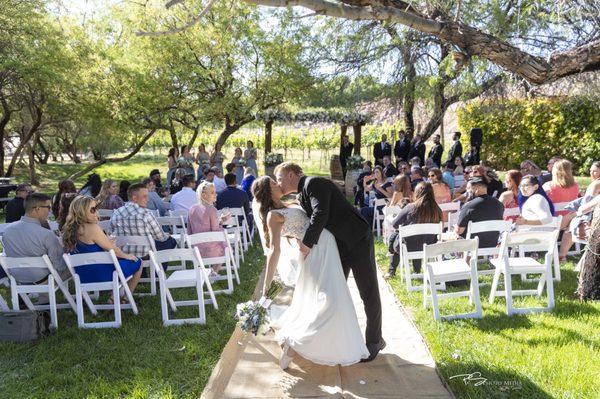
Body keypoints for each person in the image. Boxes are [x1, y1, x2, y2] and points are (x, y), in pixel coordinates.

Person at [274, 162, 384, 363]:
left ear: (291, 174)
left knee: (368, 292)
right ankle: (332, 342)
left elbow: (320, 213)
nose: (278, 183)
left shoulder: (314, 183)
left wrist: (306, 245)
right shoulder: (301, 194)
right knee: (331, 293)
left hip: (357, 240)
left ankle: (375, 341)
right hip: (338, 248)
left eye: (280, 178)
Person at [62, 196, 142, 300]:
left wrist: (108, 243)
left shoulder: (69, 230)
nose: (96, 212)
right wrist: (127, 256)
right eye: (92, 209)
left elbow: (90, 250)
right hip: (103, 275)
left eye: (96, 208)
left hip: (82, 276)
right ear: (81, 212)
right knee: (138, 262)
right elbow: (114, 250)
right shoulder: (92, 228)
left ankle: (115, 296)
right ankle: (123, 298)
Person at [1, 193, 70, 283]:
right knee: (75, 267)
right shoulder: (47, 234)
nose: (50, 212)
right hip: (43, 279)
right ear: (37, 209)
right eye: (48, 207)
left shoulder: (7, 230)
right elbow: (59, 266)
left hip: (17, 278)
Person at [387, 182, 442, 278]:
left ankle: (391, 271)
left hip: (408, 247)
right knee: (417, 238)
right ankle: (417, 270)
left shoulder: (410, 207)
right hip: (429, 246)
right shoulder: (437, 210)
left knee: (397, 235)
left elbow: (395, 224)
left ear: (417, 193)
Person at [110, 183, 177, 256]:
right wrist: (167, 235)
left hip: (122, 254)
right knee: (171, 241)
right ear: (135, 198)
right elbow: (161, 237)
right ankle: (159, 267)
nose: (148, 200)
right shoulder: (146, 213)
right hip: (145, 254)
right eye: (145, 197)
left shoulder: (116, 213)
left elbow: (111, 235)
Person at [187, 181, 229, 277]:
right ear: (204, 195)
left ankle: (209, 273)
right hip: (210, 251)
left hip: (196, 251)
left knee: (218, 244)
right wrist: (222, 222)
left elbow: (189, 231)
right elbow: (216, 233)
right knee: (225, 246)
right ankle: (213, 273)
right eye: (212, 192)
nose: (215, 194)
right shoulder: (212, 209)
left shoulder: (192, 209)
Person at [543, 159, 579, 260]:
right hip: (570, 220)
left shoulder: (548, 186)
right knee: (571, 225)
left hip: (554, 221)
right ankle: (562, 255)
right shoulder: (575, 186)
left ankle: (559, 255)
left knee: (569, 219)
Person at [454, 177, 504, 248]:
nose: (467, 192)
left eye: (468, 188)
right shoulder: (499, 204)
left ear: (477, 189)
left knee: (453, 236)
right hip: (493, 244)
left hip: (472, 246)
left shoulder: (469, 206)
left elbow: (459, 231)